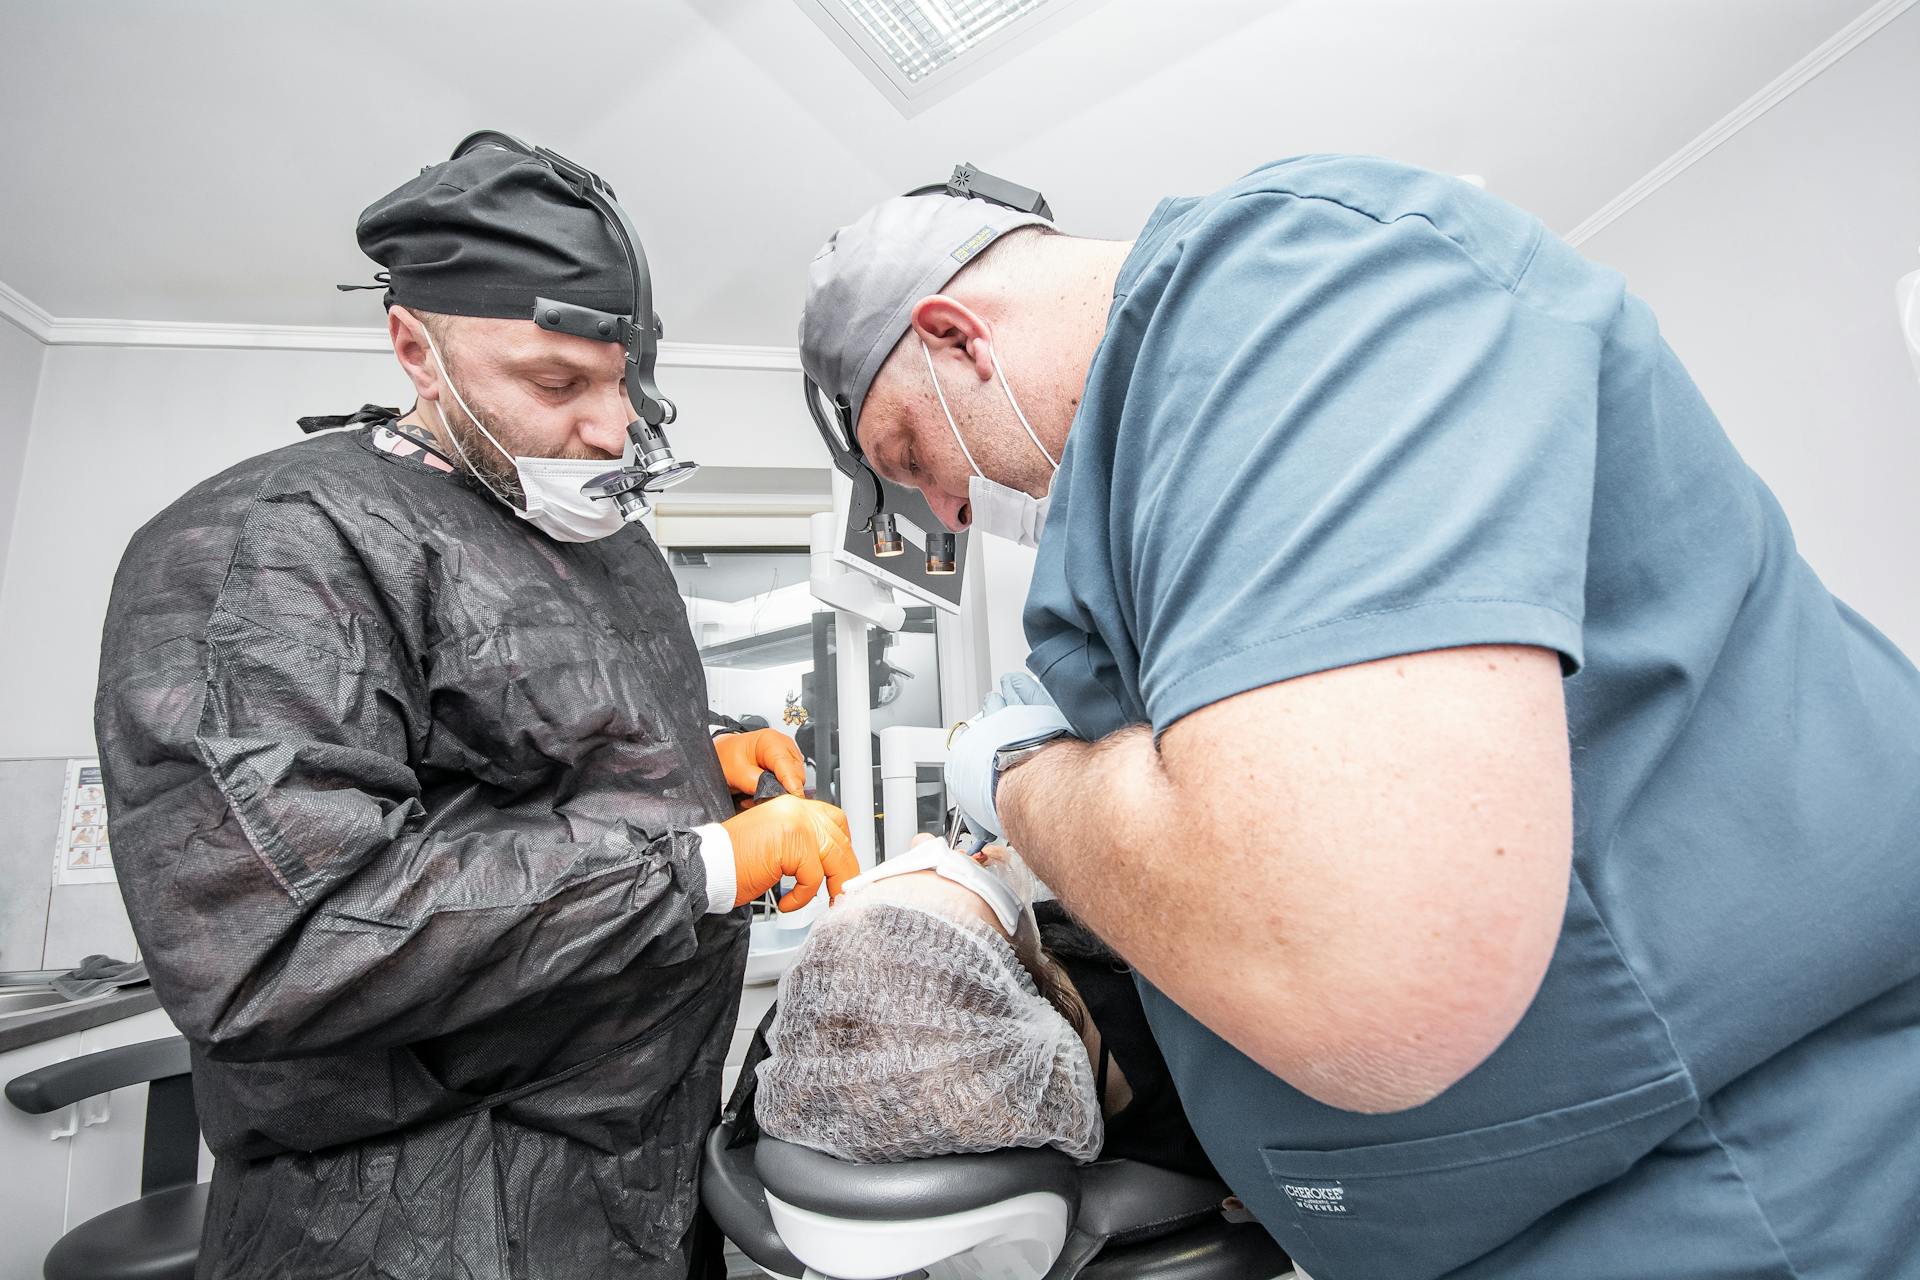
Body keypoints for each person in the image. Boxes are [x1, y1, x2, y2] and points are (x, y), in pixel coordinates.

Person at [795, 157, 1920, 1277]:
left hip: (1726, 1199)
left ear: (956, 337)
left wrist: (1026, 776)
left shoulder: (1293, 295)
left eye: (910, 454)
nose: (943, 508)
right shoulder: (1152, 504)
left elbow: (1346, 959)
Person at [93, 136, 858, 1280]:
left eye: (623, 383)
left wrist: (702, 757)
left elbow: (521, 755)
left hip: (633, 1182)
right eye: (557, 383)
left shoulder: (592, 542)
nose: (610, 429)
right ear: (417, 348)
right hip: (413, 1215)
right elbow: (285, 941)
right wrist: (701, 862)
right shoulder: (281, 545)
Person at [754, 836, 1217, 1178]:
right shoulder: (1197, 1044)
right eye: (945, 872)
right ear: (1007, 983)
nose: (928, 843)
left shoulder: (991, 1043)